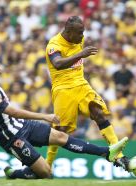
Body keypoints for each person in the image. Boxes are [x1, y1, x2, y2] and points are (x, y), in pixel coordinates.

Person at [0, 42, 128, 179]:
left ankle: (106, 153)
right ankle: (17, 173)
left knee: (60, 138)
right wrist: (45, 116)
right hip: (11, 136)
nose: (1, 70)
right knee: (46, 174)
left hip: (23, 125)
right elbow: (12, 112)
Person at [45, 16, 130, 171]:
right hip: (63, 89)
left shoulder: (77, 40)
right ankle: (47, 165)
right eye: (79, 33)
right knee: (59, 132)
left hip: (82, 85)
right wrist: (80, 54)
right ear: (68, 32)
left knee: (98, 113)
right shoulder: (54, 45)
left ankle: (118, 155)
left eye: (83, 32)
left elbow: (78, 57)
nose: (82, 36)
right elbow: (57, 64)